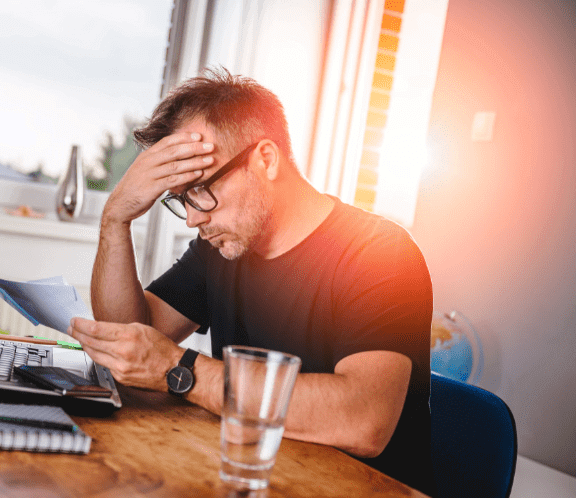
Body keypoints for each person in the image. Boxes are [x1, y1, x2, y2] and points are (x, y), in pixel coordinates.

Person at [67, 67, 433, 495]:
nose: (192, 218)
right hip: (252, 482)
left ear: (265, 159)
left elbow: (363, 420)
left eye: (202, 189)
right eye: (181, 199)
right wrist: (116, 217)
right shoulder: (222, 248)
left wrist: (179, 369)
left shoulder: (379, 253)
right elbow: (130, 339)